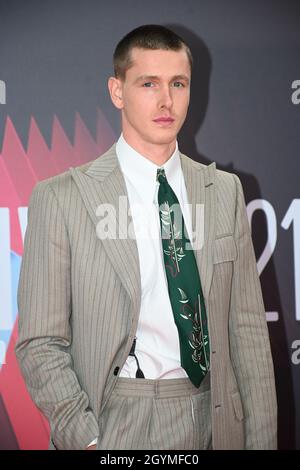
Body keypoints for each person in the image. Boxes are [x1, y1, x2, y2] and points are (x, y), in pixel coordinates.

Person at [15, 24, 277, 450]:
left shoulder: (225, 191)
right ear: (117, 91)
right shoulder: (61, 198)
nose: (166, 101)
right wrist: (86, 438)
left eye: (178, 83)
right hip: (113, 417)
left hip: (210, 416)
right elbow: (40, 342)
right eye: (148, 83)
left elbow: (247, 331)